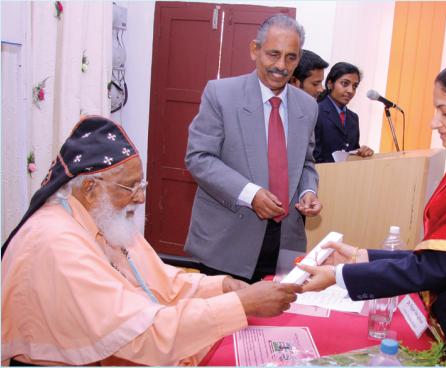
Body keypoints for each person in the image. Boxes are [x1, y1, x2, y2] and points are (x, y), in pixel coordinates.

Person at [1, 116, 302, 366]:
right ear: (90, 187)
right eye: (130, 186)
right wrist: (240, 303)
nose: (141, 197)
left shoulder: (99, 218)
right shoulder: (57, 243)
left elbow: (161, 286)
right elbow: (140, 335)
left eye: (141, 184)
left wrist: (221, 286)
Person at [298, 58, 446, 366]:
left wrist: (339, 275)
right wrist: (361, 256)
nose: (434, 122)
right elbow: (442, 258)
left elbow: (437, 266)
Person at [184, 14, 322, 283]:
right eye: (273, 54)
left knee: (277, 321)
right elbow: (199, 158)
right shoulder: (220, 94)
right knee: (226, 320)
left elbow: (306, 162)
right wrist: (250, 194)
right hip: (228, 241)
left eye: (291, 58)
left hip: (285, 243)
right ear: (254, 50)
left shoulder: (308, 106)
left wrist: (308, 191)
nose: (281, 66)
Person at [314, 62, 374, 163]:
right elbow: (313, 155)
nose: (350, 90)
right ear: (330, 84)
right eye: (345, 84)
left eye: (355, 86)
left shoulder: (353, 118)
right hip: (321, 175)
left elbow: (351, 152)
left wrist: (361, 153)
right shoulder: (317, 111)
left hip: (345, 176)